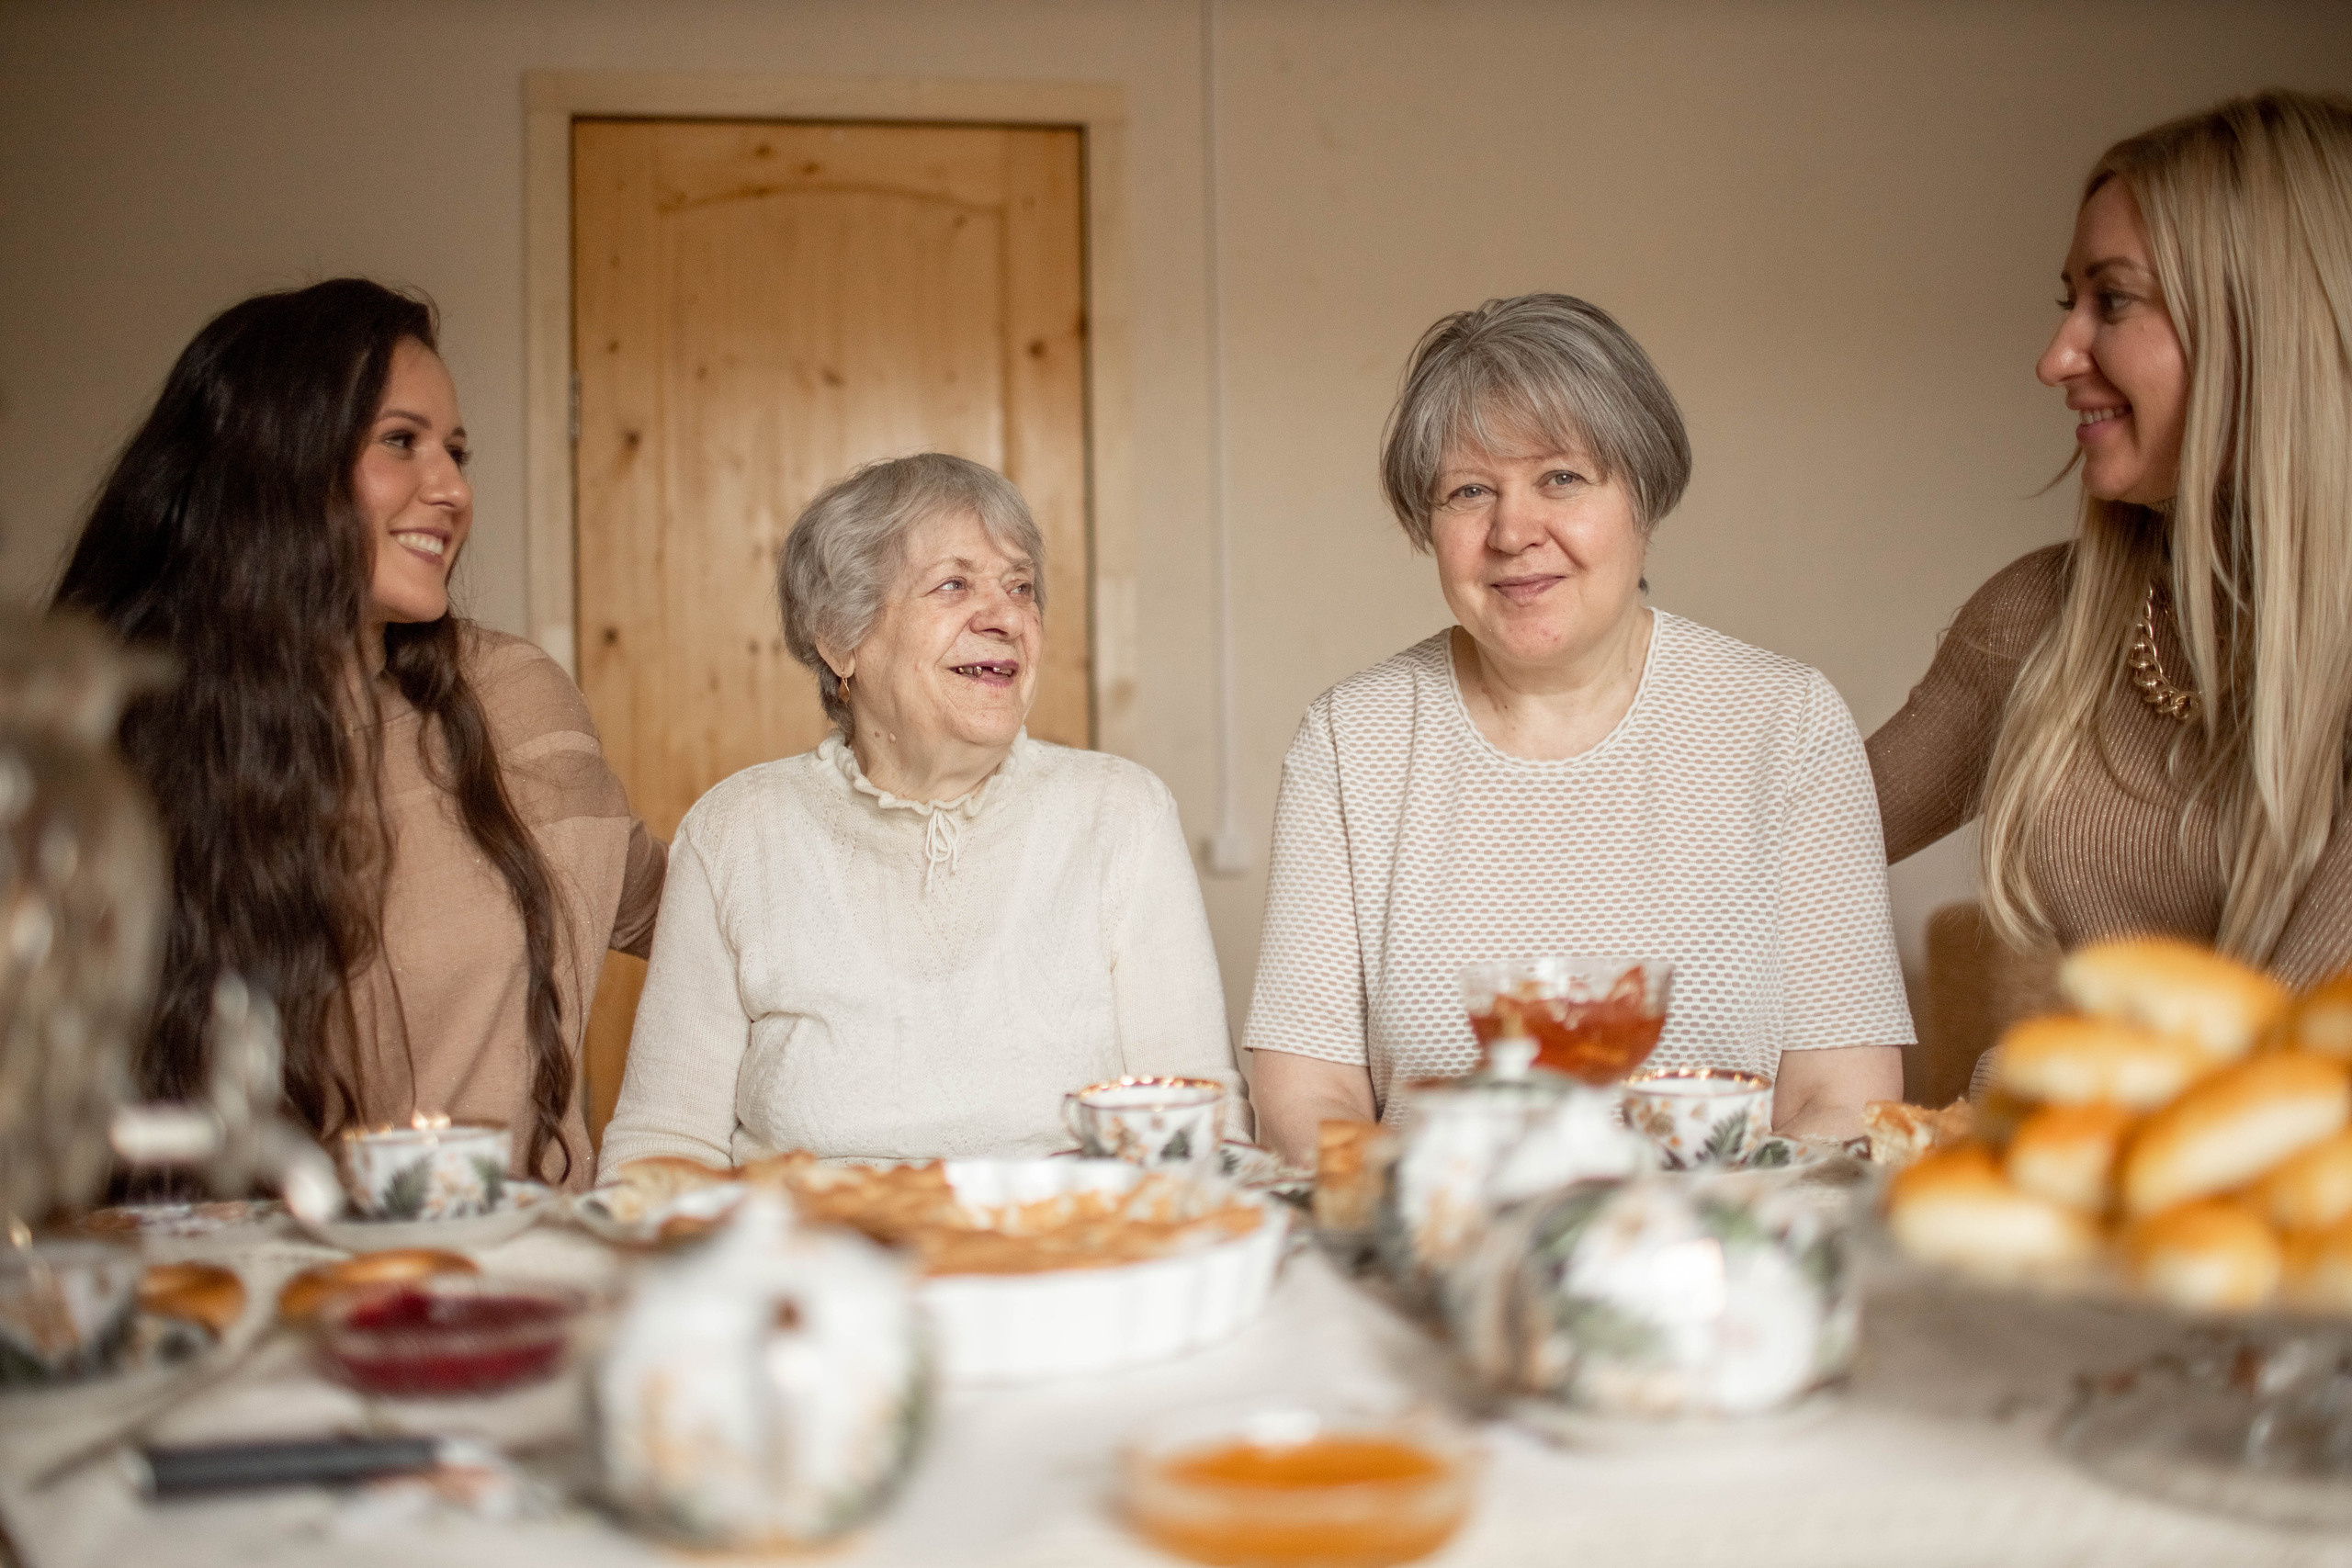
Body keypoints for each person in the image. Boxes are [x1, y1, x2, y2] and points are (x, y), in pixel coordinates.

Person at [1245, 294, 1912, 1166]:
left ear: (1644, 490)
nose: (1514, 532)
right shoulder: (1351, 740)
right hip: (1434, 1270)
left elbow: (1843, 1096)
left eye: (1561, 477)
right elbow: (1306, 1102)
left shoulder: (1787, 723)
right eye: (1469, 491)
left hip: (1716, 1271)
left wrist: (1682, 1254)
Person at [55, 278, 663, 1190]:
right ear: (275, 464)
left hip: (519, 1289)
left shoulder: (514, 697)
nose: (451, 488)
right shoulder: (120, 742)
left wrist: (895, 795)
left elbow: (689, 907)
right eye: (401, 442)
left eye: (455, 451)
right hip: (238, 1296)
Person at [597, 453, 1241, 1170]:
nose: (1004, 617)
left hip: (1066, 1259)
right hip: (808, 1264)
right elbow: (665, 1142)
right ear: (842, 638)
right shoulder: (736, 831)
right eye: (954, 583)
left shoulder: (1122, 814)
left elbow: (1198, 1121)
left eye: (1021, 586)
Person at [1870, 92, 2352, 998]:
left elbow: (2296, 1074)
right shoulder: (2041, 614)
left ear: (2266, 327)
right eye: (2070, 303)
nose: (2055, 357)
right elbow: (1778, 850)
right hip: (2024, 1137)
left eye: (2113, 300)